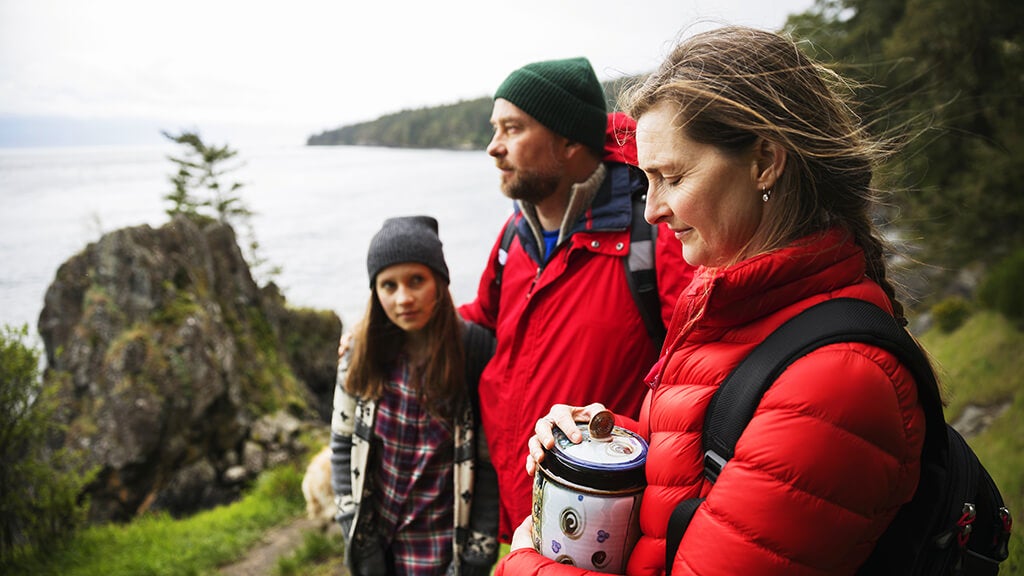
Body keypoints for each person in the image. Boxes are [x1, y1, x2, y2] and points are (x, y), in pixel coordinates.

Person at [498, 26, 929, 576]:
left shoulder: (838, 384)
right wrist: (607, 449)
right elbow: (713, 475)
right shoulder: (731, 304)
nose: (651, 209)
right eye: (645, 180)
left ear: (764, 161)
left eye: (671, 177)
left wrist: (525, 562)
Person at [457, 56, 694, 544]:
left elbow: (697, 380)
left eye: (512, 129)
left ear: (569, 142)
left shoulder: (653, 238)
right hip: (521, 507)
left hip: (596, 528)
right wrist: (384, 324)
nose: (493, 147)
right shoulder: (514, 233)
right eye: (493, 128)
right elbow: (482, 318)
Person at [330, 215, 498, 576]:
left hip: (446, 550)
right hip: (379, 545)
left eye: (416, 281)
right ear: (375, 292)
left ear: (439, 282)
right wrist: (359, 536)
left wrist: (477, 555)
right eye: (388, 285)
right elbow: (343, 447)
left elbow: (487, 465)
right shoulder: (360, 354)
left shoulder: (475, 351)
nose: (403, 298)